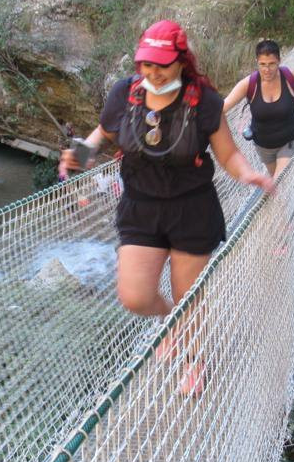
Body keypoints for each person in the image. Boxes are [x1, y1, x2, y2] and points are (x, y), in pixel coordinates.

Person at [59, 20, 273, 396]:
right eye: (146, 64)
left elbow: (228, 154)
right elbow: (103, 133)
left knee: (188, 296)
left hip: (191, 209)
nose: (153, 73)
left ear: (181, 61)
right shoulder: (125, 94)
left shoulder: (204, 101)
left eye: (161, 65)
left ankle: (193, 362)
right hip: (140, 207)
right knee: (135, 296)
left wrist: (250, 176)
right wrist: (81, 153)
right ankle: (170, 322)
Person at [222, 39, 294, 179]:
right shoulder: (249, 84)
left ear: (279, 61)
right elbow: (223, 107)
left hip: (291, 140)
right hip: (264, 147)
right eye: (262, 64)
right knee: (277, 188)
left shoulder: (290, 77)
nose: (267, 70)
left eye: (272, 64)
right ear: (256, 62)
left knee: (279, 182)